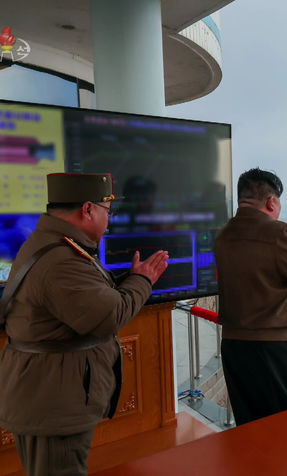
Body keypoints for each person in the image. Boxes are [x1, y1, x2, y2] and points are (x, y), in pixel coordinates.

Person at [0, 173, 169, 476]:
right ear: (88, 209)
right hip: (54, 406)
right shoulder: (61, 260)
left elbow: (90, 298)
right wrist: (144, 280)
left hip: (49, 397)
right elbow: (108, 316)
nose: (110, 221)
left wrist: (130, 280)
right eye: (107, 212)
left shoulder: (55, 245)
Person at [214, 168, 287, 425]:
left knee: (251, 427)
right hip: (276, 351)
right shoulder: (276, 232)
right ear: (271, 201)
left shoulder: (223, 235)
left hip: (234, 348)